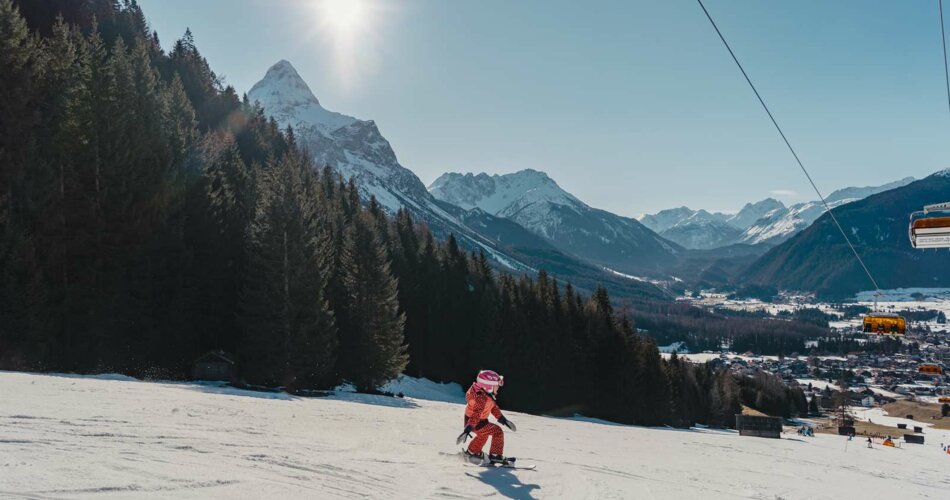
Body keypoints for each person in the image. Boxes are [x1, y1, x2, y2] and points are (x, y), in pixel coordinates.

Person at [456, 370, 516, 465]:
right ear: (488, 387)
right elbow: (476, 414)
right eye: (497, 386)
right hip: (475, 422)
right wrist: (467, 430)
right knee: (497, 431)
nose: (498, 388)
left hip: (476, 421)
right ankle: (496, 456)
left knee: (483, 435)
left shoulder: (486, 395)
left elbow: (493, 408)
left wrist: (504, 420)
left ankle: (472, 452)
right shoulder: (481, 398)